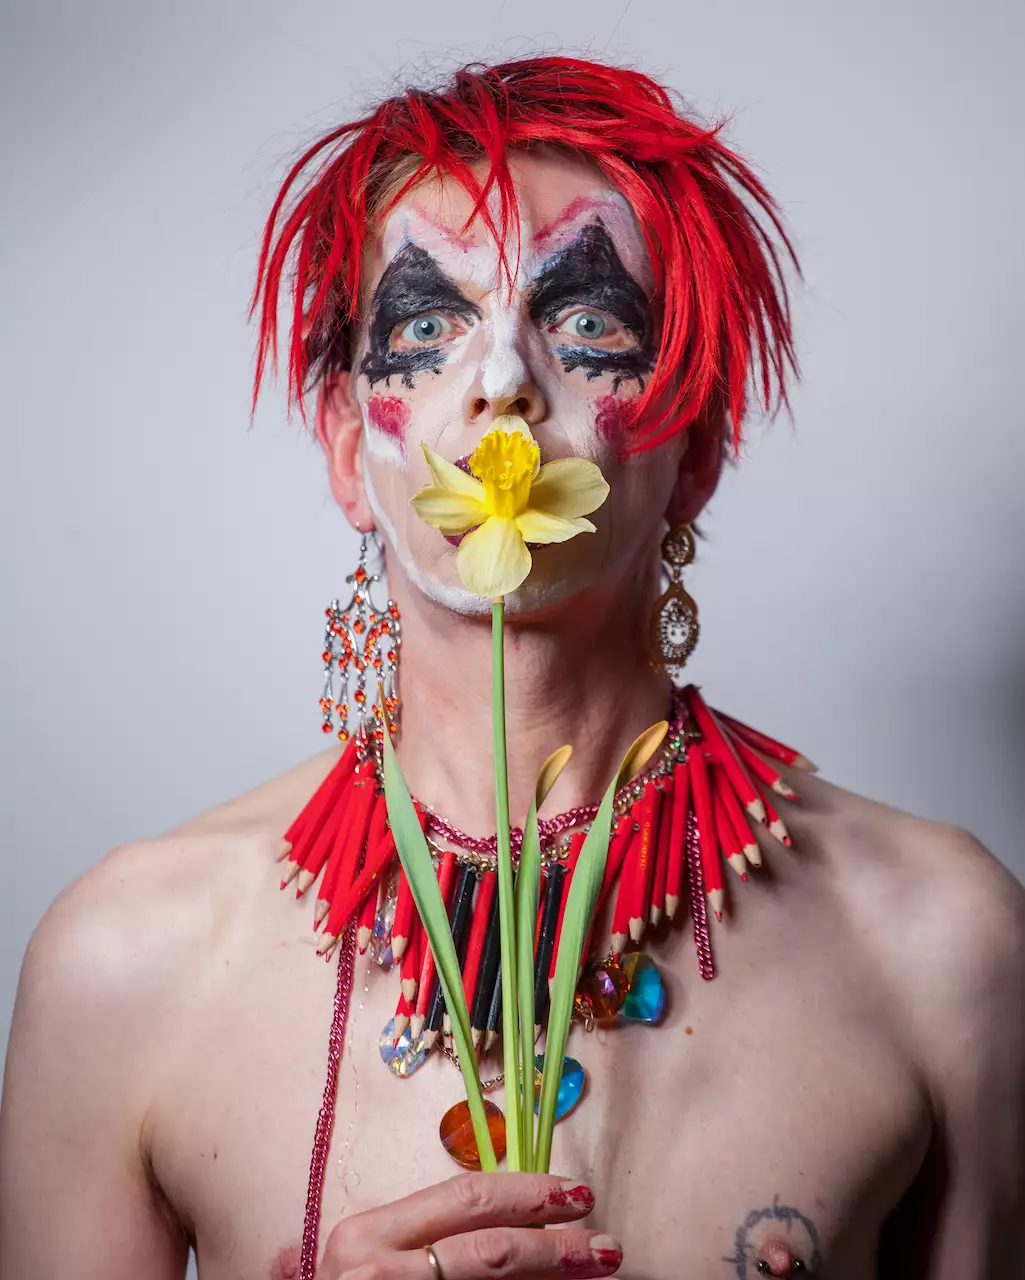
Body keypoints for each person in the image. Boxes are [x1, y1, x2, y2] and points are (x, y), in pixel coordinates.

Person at [2, 55, 1023, 1280]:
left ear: (692, 449)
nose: (501, 381)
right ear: (344, 448)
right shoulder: (125, 964)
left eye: (585, 318)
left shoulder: (938, 943)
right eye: (426, 325)